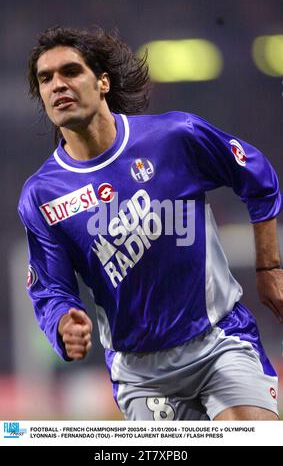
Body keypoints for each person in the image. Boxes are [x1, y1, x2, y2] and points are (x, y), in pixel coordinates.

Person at [18, 25, 283, 421]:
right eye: (46, 78)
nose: (58, 85)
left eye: (70, 72)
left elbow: (256, 174)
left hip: (218, 340)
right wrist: (62, 322)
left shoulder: (173, 137)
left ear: (102, 81)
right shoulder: (42, 195)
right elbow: (51, 288)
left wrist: (269, 267)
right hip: (142, 374)